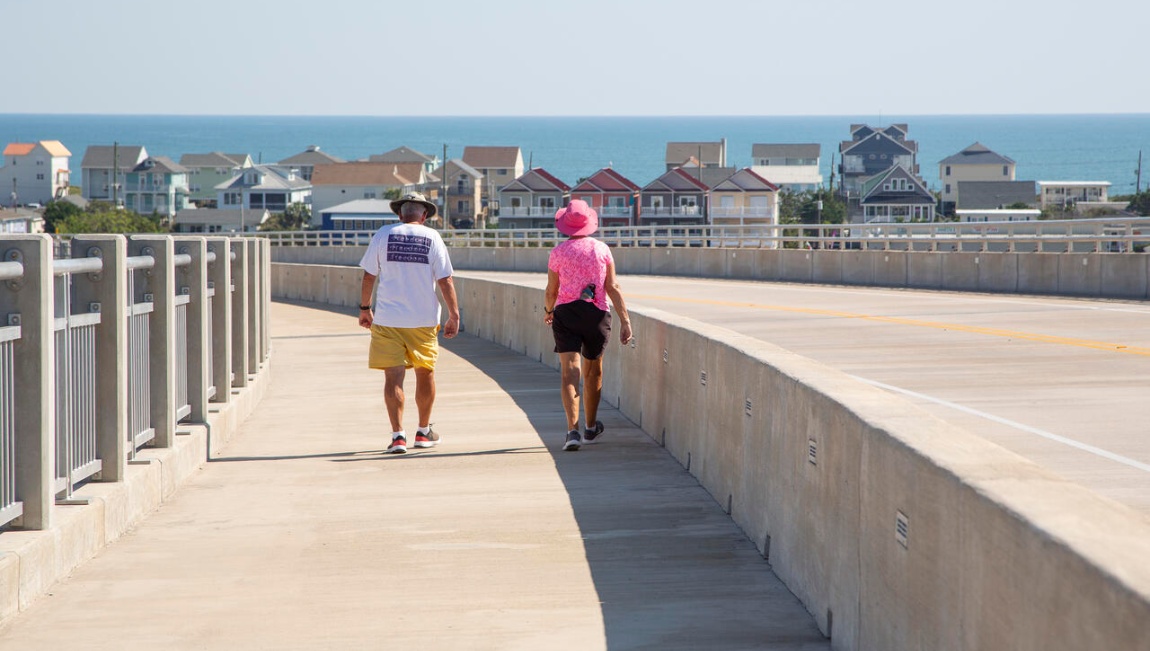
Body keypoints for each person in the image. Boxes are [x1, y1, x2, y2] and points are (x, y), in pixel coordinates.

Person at [358, 192, 460, 454]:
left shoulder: (383, 234)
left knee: (393, 376)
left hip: (388, 319)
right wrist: (454, 314)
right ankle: (423, 432)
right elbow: (445, 280)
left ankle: (397, 436)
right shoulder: (432, 237)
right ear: (424, 216)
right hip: (423, 320)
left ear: (399, 214)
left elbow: (369, 276)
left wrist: (365, 309)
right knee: (425, 372)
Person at [543, 199, 632, 451]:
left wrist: (549, 311)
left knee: (569, 372)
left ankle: (572, 432)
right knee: (593, 371)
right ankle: (590, 429)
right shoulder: (602, 249)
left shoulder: (558, 252)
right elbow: (612, 287)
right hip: (596, 314)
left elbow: (551, 290)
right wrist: (625, 320)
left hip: (566, 314)